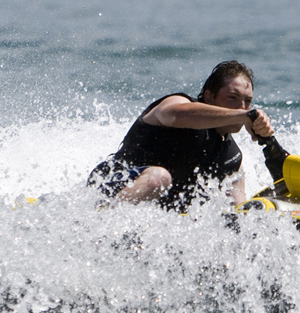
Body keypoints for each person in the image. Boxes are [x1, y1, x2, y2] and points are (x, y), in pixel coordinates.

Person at [88, 61, 274, 210]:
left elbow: (238, 209)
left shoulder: (232, 158)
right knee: (159, 178)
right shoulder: (179, 104)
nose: (242, 107)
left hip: (147, 225)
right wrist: (245, 116)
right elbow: (176, 115)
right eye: (232, 97)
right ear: (209, 97)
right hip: (108, 186)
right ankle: (99, 222)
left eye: (248, 102)